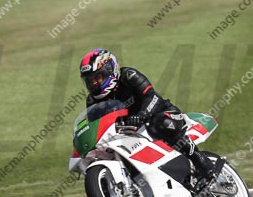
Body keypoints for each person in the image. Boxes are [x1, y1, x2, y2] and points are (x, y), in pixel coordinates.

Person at [77, 49, 216, 187]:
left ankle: (200, 161)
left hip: (163, 113)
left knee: (161, 123)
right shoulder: (92, 101)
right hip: (130, 130)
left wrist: (142, 114)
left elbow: (152, 96)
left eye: (97, 78)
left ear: (110, 70)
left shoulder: (129, 76)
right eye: (89, 81)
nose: (94, 84)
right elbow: (96, 124)